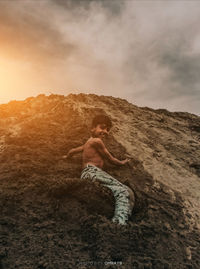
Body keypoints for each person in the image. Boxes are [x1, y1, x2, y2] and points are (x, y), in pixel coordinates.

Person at [64, 115, 134, 225]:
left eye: (107, 130)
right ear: (92, 128)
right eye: (102, 127)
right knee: (125, 192)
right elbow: (110, 158)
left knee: (113, 192)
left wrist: (67, 157)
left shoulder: (88, 142)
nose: (105, 132)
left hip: (86, 175)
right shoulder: (97, 141)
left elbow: (73, 150)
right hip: (94, 172)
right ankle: (119, 224)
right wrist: (122, 162)